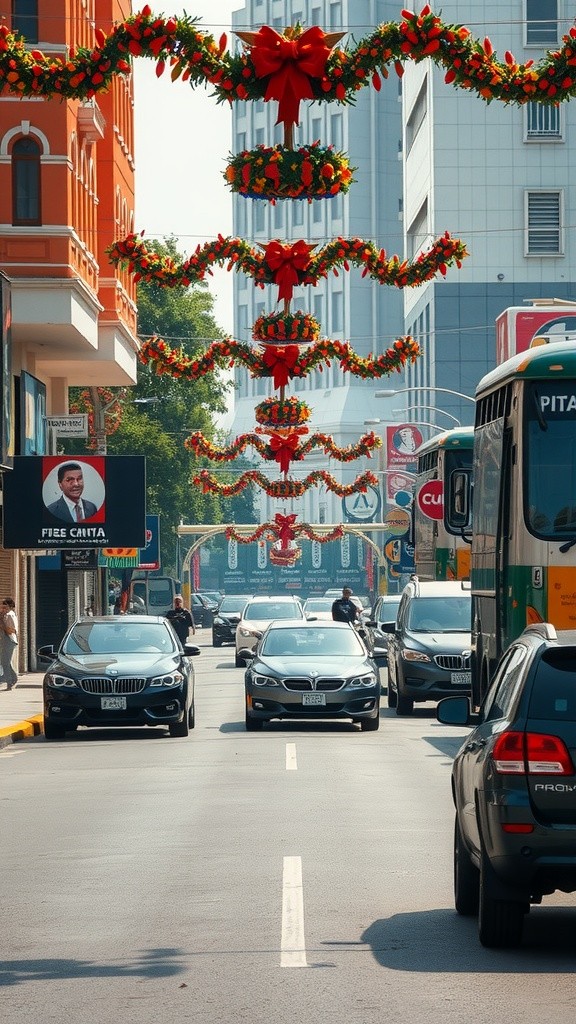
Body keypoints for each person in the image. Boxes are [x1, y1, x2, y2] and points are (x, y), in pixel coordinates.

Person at [1, 597, 19, 690]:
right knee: (5, 661)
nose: (3, 608)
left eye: (5, 606)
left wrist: (2, 622)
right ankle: (14, 678)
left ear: (10, 606)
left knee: (5, 662)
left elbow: (12, 630)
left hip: (10, 640)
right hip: (5, 641)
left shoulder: (10, 615)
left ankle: (9, 682)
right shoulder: (5, 615)